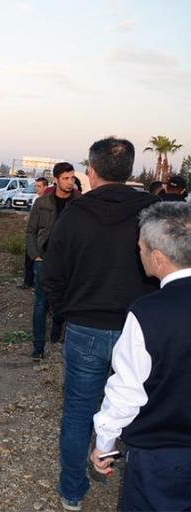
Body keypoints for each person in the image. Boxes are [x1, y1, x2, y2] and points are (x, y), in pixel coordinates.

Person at [43, 137, 159, 511]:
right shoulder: (155, 213)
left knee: (79, 412)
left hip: (86, 328)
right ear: (130, 172)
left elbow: (52, 276)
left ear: (91, 172)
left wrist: (66, 312)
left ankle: (72, 493)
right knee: (144, 407)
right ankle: (144, 487)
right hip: (142, 329)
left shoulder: (74, 215)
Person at [90, 202, 191, 511]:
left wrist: (104, 446)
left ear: (158, 257)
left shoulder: (148, 313)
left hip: (163, 458)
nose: (140, 254)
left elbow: (126, 391)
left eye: (141, 248)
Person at [25, 166, 78, 359]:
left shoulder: (79, 203)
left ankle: (58, 325)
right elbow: (30, 231)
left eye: (72, 178)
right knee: (41, 303)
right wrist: (35, 255)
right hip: (44, 259)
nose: (70, 182)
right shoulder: (42, 203)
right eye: (65, 178)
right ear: (56, 180)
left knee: (65, 302)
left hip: (69, 262)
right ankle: (38, 347)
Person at [20, 177, 49, 290]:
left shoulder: (48, 202)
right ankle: (28, 281)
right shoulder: (36, 198)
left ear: (46, 187)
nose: (36, 188)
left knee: (40, 260)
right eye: (36, 186)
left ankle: (38, 284)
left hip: (41, 235)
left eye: (39, 186)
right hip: (32, 234)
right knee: (28, 258)